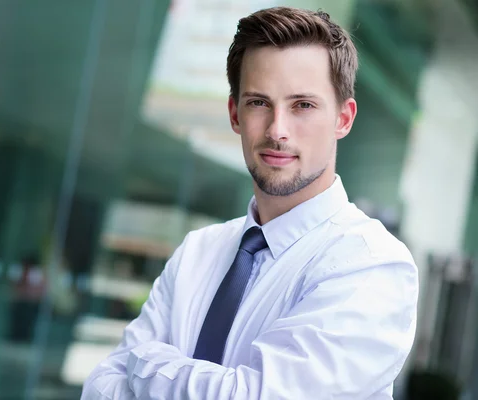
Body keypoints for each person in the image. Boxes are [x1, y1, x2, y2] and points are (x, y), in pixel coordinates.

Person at [81, 6, 418, 399]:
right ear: (234, 113)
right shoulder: (198, 251)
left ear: (344, 119)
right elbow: (100, 388)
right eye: (259, 102)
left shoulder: (371, 264)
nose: (278, 130)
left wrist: (147, 363)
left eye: (303, 106)